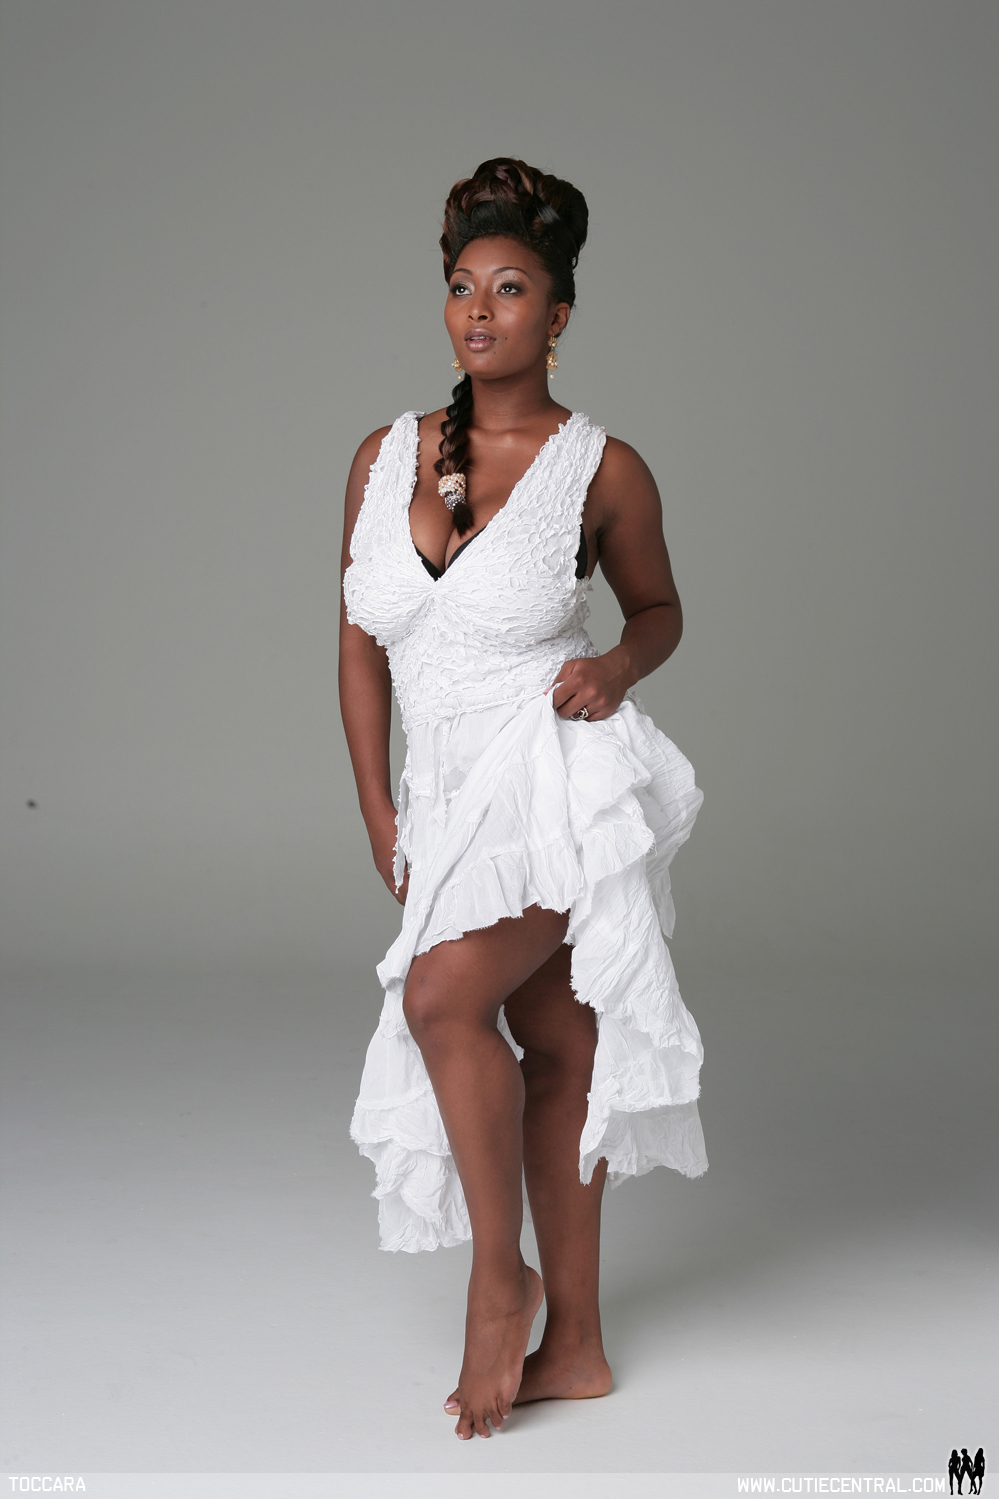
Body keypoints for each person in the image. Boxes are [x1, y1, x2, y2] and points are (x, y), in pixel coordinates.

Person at [338, 157, 706, 1441]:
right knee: (561, 1040)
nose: (479, 309)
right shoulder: (384, 456)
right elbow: (358, 643)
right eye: (461, 285)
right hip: (441, 798)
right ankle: (582, 1348)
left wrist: (617, 665)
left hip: (552, 779)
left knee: (444, 998)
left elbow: (659, 608)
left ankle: (502, 1281)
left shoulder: (604, 468)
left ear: (558, 313)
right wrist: (379, 810)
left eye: (509, 287)